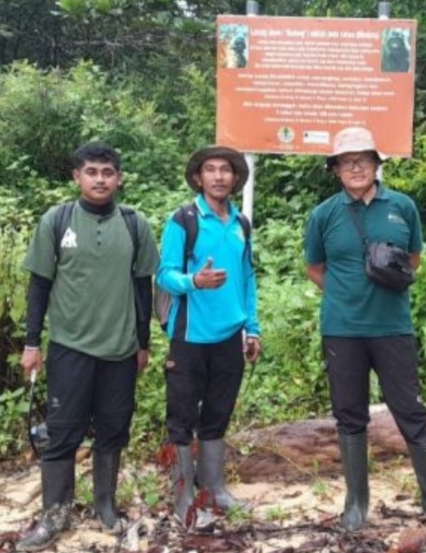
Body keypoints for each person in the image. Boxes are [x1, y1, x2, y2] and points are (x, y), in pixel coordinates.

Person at [303, 127, 426, 542]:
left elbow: (413, 259)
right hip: (342, 331)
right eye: (346, 160)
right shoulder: (324, 214)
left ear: (376, 164)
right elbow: (314, 267)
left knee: (410, 413)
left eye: (364, 159)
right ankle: (356, 504)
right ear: (335, 169)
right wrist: (345, 297)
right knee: (349, 415)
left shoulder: (402, 207)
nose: (356, 166)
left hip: (392, 328)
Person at [17, 142, 160, 552]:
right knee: (62, 434)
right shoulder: (57, 220)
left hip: (120, 350)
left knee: (113, 430)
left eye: (108, 172)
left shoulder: (135, 224)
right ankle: (55, 516)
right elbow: (39, 284)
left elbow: (142, 288)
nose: (100, 179)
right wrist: (32, 343)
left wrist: (143, 343)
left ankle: (105, 507)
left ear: (119, 178)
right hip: (69, 348)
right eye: (92, 171)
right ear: (77, 176)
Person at [156, 146, 261, 529]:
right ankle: (184, 496)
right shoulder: (182, 220)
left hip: (229, 336)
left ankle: (215, 489)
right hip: (189, 336)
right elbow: (164, 274)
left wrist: (252, 328)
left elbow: (248, 279)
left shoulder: (241, 224)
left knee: (217, 414)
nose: (218, 176)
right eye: (210, 170)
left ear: (235, 178)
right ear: (199, 179)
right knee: (182, 417)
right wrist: (193, 281)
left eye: (225, 170)